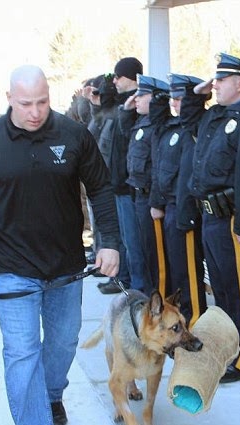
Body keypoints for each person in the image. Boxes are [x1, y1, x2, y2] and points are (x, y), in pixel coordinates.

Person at [0, 65, 120, 425]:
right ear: (9, 100)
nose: (35, 112)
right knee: (21, 351)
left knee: (64, 342)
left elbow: (101, 188)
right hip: (13, 268)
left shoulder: (73, 135)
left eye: (42, 102)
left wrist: (110, 242)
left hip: (67, 267)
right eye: (25, 104)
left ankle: (50, 395)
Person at [189, 53, 240, 382]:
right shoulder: (217, 117)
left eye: (221, 80)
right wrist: (202, 91)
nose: (215, 85)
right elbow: (192, 113)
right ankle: (224, 348)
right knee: (220, 289)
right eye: (215, 81)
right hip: (209, 216)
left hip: (232, 218)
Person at [148, 73, 208, 326]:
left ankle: (193, 323)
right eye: (171, 98)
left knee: (189, 276)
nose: (174, 103)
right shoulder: (172, 128)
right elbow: (161, 167)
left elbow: (188, 177)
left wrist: (186, 214)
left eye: (179, 98)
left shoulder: (197, 129)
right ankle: (175, 321)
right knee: (173, 271)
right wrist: (157, 202)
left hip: (185, 210)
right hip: (171, 208)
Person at [96, 57, 147, 294]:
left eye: (119, 76)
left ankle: (136, 289)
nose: (114, 81)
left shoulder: (137, 106)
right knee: (125, 241)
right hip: (117, 183)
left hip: (129, 187)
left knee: (134, 243)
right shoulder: (121, 105)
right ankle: (124, 280)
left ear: (133, 78)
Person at [119, 75, 171, 295]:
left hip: (151, 197)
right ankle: (151, 298)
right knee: (143, 249)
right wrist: (126, 110)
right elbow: (124, 133)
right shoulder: (141, 122)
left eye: (142, 95)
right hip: (139, 195)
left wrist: (155, 201)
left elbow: (158, 166)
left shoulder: (158, 125)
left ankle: (158, 298)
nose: (136, 99)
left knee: (155, 254)